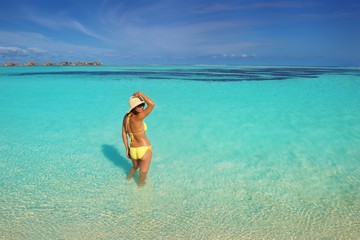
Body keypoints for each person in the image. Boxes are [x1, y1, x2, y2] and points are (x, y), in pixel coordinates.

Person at [122, 92, 155, 187]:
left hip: (133, 150)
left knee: (134, 167)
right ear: (134, 108)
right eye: (139, 106)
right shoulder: (139, 117)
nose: (142, 107)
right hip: (144, 149)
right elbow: (152, 104)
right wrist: (140, 93)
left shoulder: (126, 117)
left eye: (142, 104)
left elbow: (124, 133)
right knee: (143, 174)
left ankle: (127, 180)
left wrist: (127, 148)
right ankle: (140, 190)